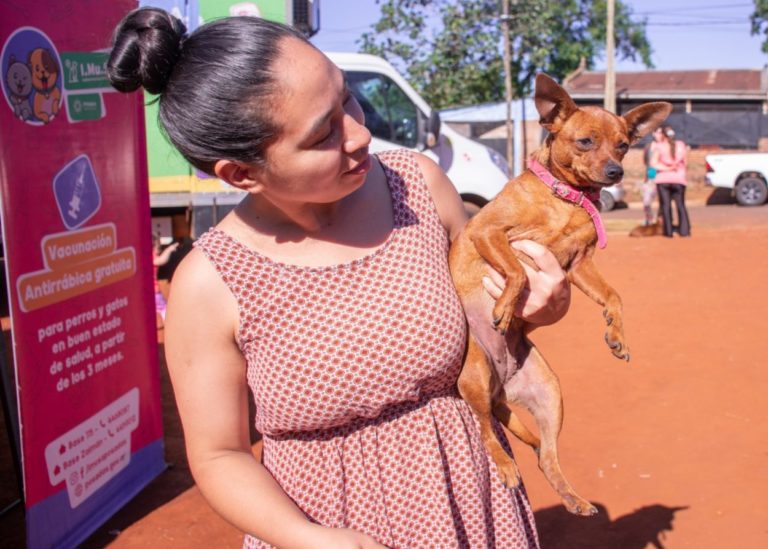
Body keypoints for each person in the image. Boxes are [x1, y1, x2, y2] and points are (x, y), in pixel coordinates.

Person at [108, 8, 571, 548]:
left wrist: (539, 307)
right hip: (323, 529)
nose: (360, 133)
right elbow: (219, 454)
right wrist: (306, 536)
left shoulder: (420, 188)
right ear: (241, 173)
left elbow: (491, 323)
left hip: (470, 496)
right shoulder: (208, 284)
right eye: (322, 133)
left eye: (346, 97)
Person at [650, 125, 691, 237]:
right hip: (679, 179)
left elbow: (653, 163)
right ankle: (684, 231)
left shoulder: (659, 146)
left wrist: (667, 168)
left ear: (663, 135)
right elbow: (686, 163)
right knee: (681, 205)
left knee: (666, 206)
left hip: (663, 180)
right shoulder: (681, 145)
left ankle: (668, 232)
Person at [151, 232, 178, 327]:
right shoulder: (150, 256)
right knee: (164, 308)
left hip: (151, 291)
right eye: (158, 247)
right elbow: (161, 261)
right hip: (154, 291)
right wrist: (169, 250)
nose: (159, 250)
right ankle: (170, 326)